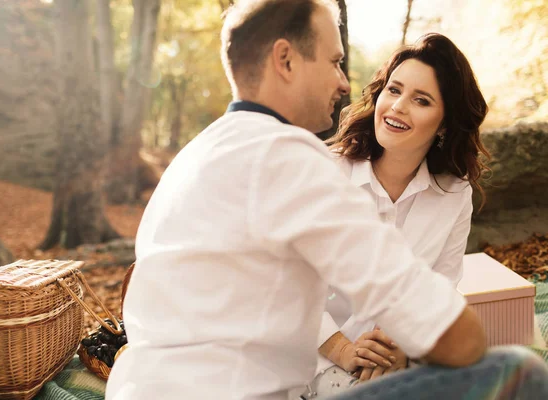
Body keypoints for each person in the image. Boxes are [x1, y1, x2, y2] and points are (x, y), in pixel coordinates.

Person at [105, 1, 548, 399]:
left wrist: (401, 347)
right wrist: (429, 339)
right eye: (335, 62)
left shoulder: (199, 152)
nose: (343, 82)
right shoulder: (289, 158)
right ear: (286, 60)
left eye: (421, 99)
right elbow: (449, 331)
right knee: (522, 368)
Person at [307, 33, 492, 396]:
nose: (398, 107)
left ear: (444, 123)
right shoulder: (323, 174)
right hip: (310, 359)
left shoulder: (454, 194)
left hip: (397, 367)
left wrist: (403, 351)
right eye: (394, 90)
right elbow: (287, 289)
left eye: (421, 100)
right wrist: (343, 349)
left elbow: (442, 291)